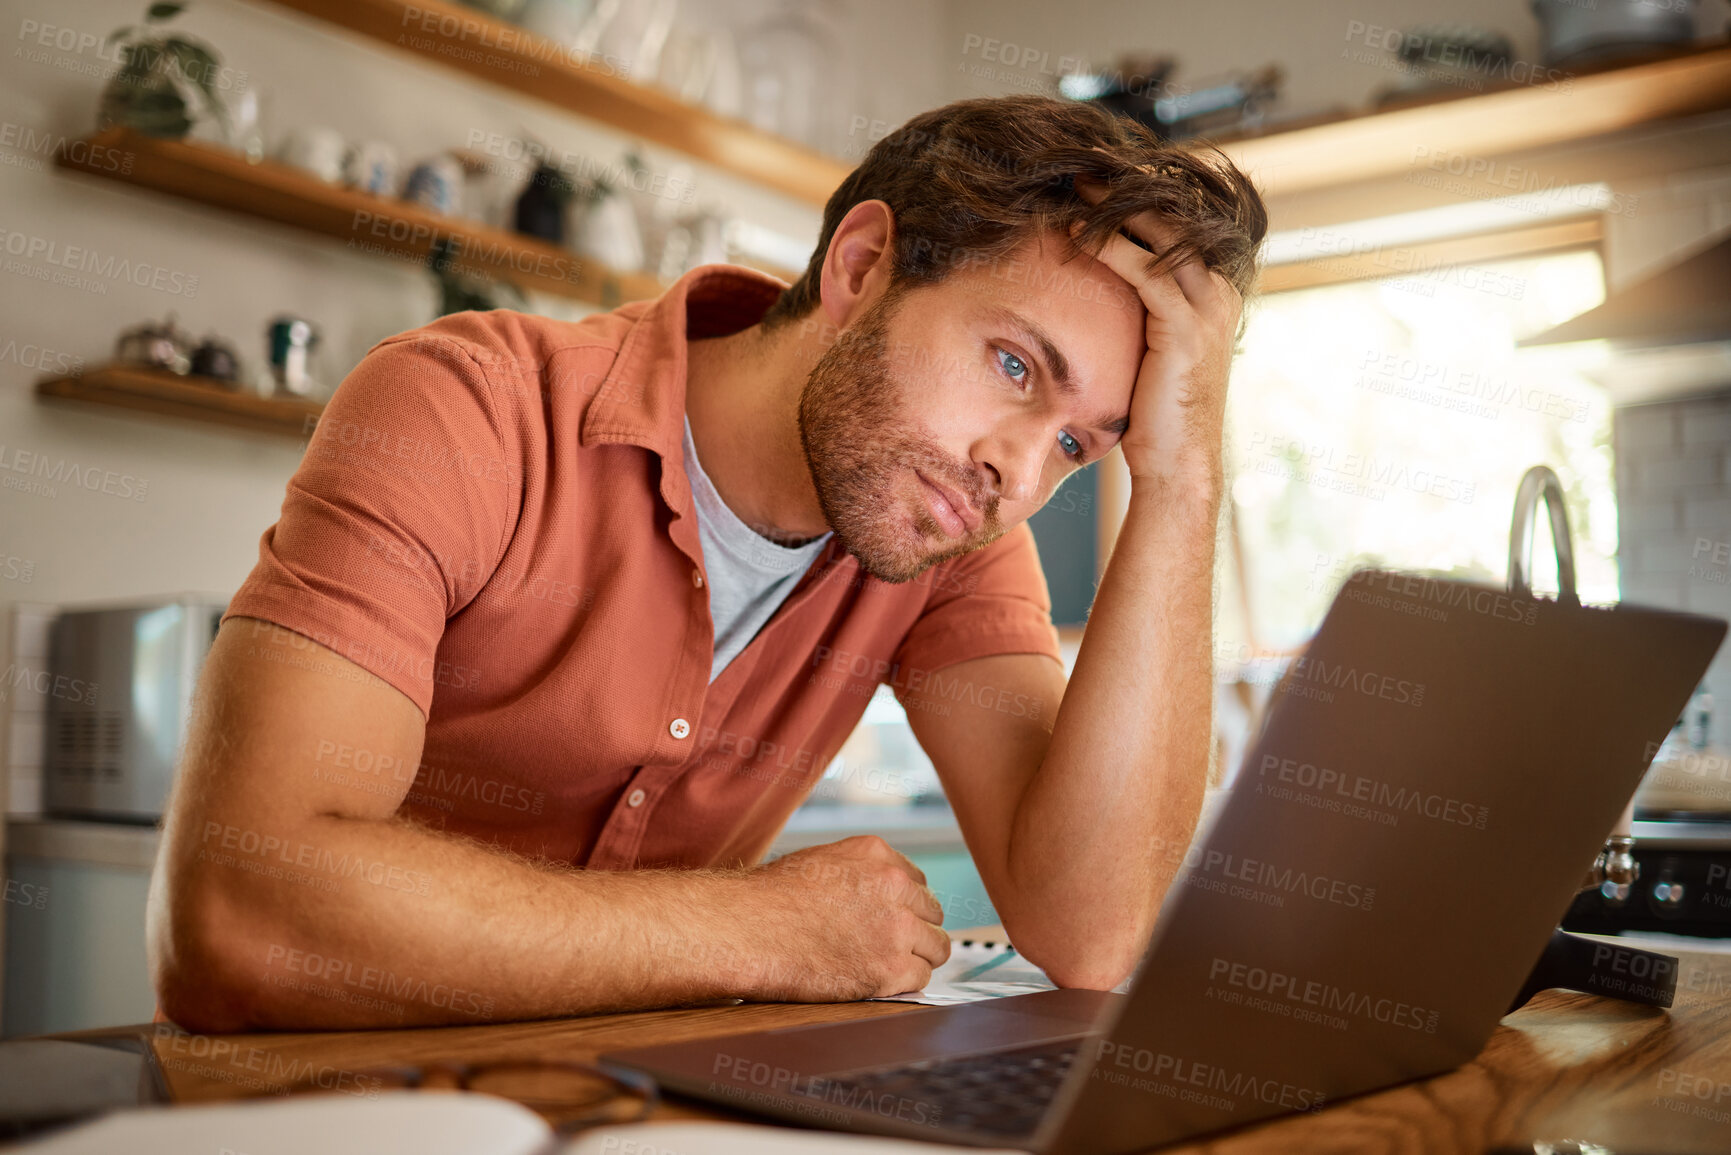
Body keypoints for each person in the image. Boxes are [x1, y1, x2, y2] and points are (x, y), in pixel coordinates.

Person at [148, 94, 1267, 1031]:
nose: (1017, 476)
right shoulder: (464, 411)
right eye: (1017, 367)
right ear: (863, 267)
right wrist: (760, 929)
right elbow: (240, 914)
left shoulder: (952, 538)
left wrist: (1179, 482)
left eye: (1079, 444)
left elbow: (1090, 932)